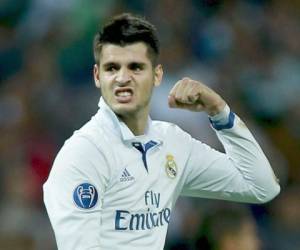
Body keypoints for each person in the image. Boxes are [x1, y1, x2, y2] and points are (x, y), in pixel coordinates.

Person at [43, 13, 280, 250]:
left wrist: (220, 111)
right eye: (112, 68)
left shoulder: (171, 142)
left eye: (135, 67)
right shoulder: (83, 154)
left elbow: (261, 187)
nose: (123, 79)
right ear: (97, 76)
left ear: (157, 75)